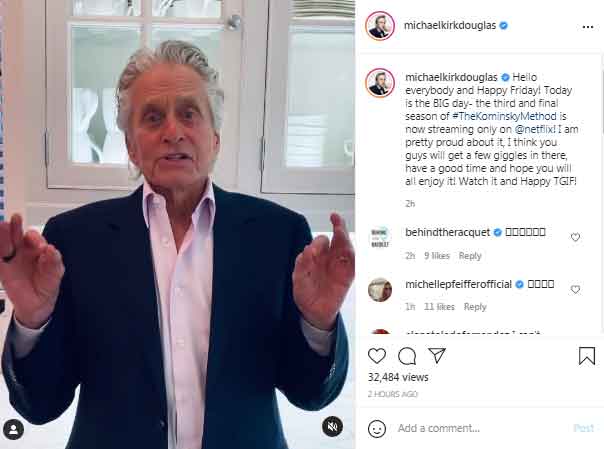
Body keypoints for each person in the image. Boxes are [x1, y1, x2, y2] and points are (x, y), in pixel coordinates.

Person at [0, 41, 354, 449]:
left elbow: (310, 394)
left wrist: (318, 323)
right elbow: (40, 404)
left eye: (189, 113)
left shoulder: (278, 235)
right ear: (131, 147)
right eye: (153, 118)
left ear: (215, 139)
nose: (173, 132)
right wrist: (32, 321)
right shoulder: (74, 240)